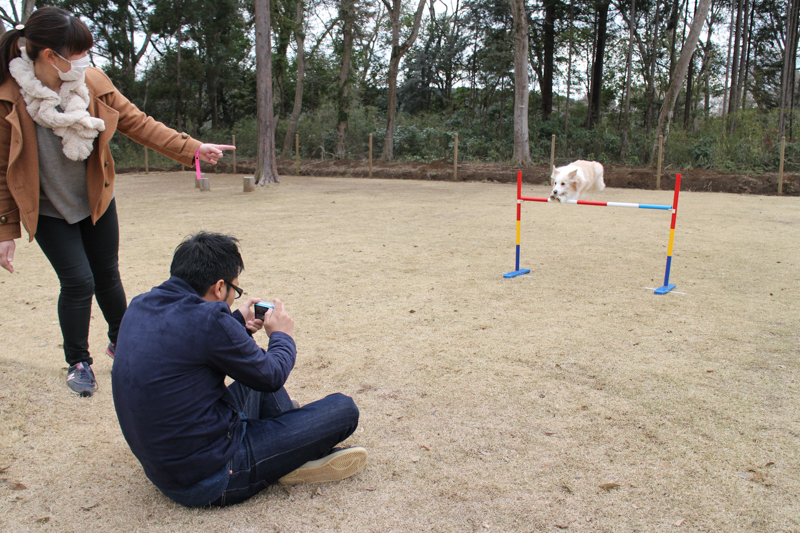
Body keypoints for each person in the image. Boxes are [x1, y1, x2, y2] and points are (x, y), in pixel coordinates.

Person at [0, 7, 235, 397]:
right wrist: (5, 229)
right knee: (78, 281)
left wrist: (193, 148)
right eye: (77, 53)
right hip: (47, 207)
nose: (83, 61)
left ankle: (124, 343)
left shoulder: (90, 83)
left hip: (96, 198)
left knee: (107, 274)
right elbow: (1, 169)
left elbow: (138, 122)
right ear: (49, 56)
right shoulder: (9, 96)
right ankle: (78, 362)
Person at [111, 232, 367, 507]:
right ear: (220, 287)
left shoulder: (140, 304)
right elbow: (271, 376)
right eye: (235, 290)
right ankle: (291, 457)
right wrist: (281, 336)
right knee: (344, 409)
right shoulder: (208, 319)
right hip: (211, 476)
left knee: (252, 376)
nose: (234, 297)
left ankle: (288, 451)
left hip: (167, 466)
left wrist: (234, 322)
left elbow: (191, 343)